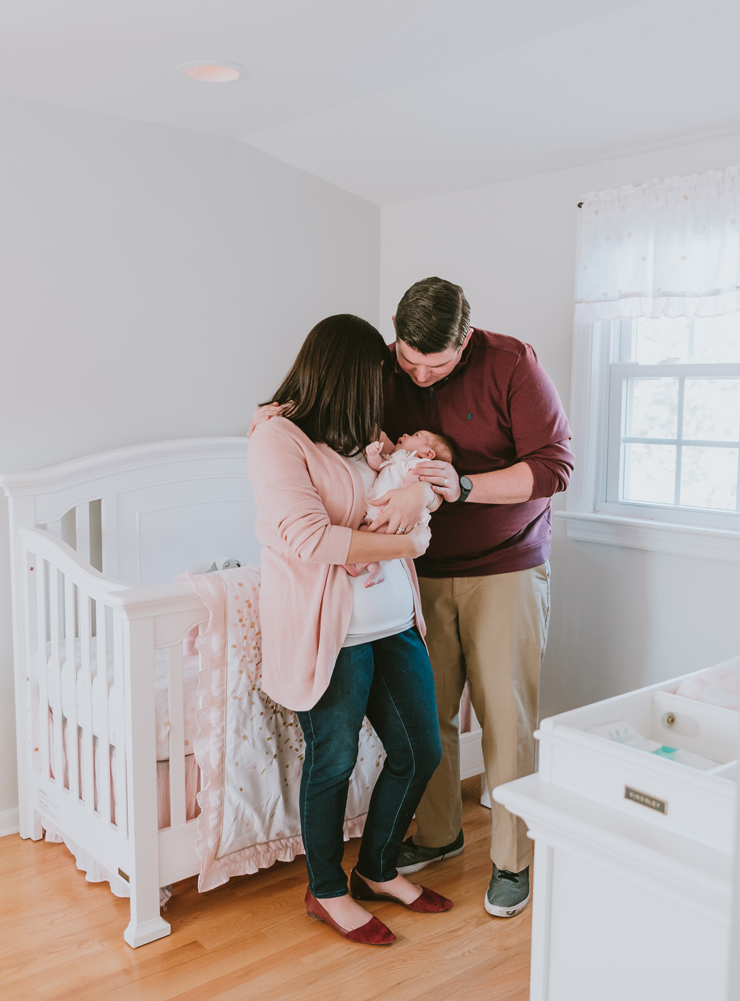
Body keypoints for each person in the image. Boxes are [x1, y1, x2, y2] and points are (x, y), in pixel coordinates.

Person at [252, 278, 572, 920]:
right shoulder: (378, 371)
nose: (421, 376)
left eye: (439, 364)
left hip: (501, 566)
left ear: (467, 341)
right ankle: (436, 835)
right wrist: (271, 411)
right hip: (415, 581)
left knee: (504, 717)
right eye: (409, 361)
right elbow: (333, 427)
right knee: (432, 720)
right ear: (395, 329)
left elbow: (554, 466)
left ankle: (511, 861)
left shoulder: (512, 364)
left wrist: (455, 487)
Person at [247, 313, 452, 946]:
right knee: (331, 763)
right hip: (333, 635)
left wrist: (422, 500)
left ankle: (377, 868)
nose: (383, 387)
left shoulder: (364, 435)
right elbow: (311, 539)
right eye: (376, 374)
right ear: (344, 374)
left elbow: (409, 490)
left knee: (422, 751)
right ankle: (326, 888)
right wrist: (408, 541)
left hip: (394, 623)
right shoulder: (278, 439)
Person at [343, 430, 455, 587]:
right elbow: (378, 466)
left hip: (398, 512)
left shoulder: (417, 463)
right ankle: (374, 567)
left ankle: (359, 564)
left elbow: (413, 480)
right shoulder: (397, 459)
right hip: (386, 509)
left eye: (416, 436)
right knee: (365, 531)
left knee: (371, 534)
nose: (406, 434)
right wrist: (373, 454)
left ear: (428, 453)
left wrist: (405, 495)